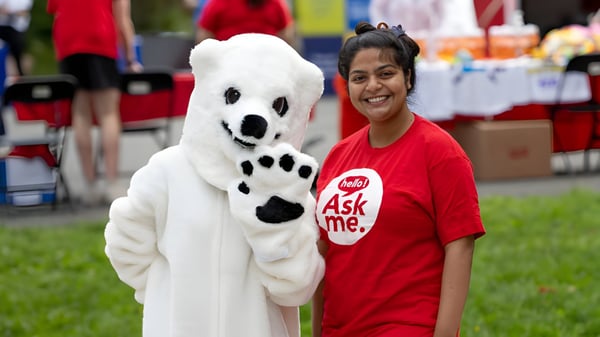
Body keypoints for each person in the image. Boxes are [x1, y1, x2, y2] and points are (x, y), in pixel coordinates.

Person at [312, 21, 486, 337]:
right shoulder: (338, 156)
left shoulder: (440, 152)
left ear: (407, 77)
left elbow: (460, 248)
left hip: (408, 325)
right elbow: (325, 251)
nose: (373, 86)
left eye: (385, 74)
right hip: (339, 327)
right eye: (359, 78)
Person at [47, 0, 143, 205]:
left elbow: (56, 14)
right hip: (99, 38)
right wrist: (130, 58)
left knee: (80, 113)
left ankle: (89, 185)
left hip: (69, 42)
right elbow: (122, 18)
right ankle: (111, 182)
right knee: (108, 113)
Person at [195, 0, 296, 47]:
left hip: (266, 61)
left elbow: (287, 32)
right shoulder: (220, 2)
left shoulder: (275, 3)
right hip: (227, 61)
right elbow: (204, 34)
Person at [0, 0, 32, 76]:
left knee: (17, 54)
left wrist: (9, 12)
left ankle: (20, 75)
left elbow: (24, 12)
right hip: (2, 26)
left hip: (17, 28)